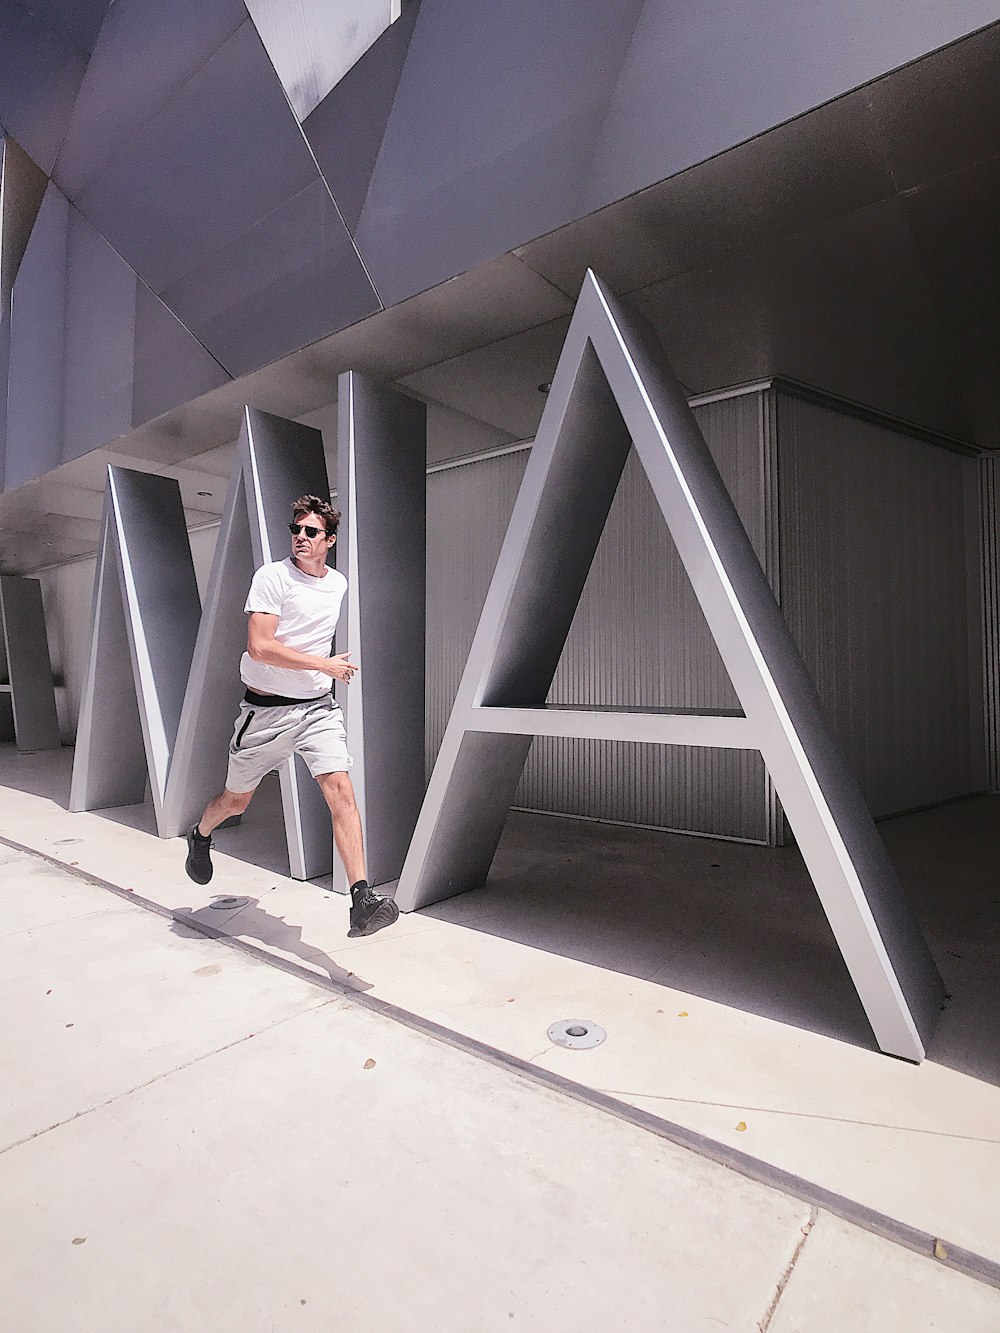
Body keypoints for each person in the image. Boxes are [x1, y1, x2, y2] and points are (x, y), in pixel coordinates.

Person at [183, 493, 399, 938]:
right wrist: (324, 664)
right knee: (236, 800)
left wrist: (322, 673)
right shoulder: (271, 577)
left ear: (329, 540)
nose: (300, 537)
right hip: (265, 714)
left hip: (317, 709)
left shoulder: (336, 584)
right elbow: (259, 647)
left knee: (341, 791)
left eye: (311, 532)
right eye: (296, 530)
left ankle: (361, 900)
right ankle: (201, 834)